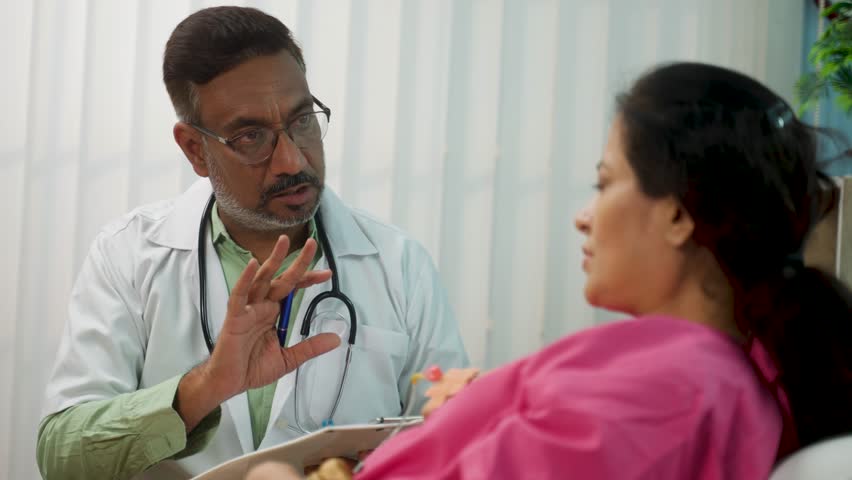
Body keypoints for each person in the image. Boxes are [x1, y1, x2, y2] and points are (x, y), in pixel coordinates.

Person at [283, 62, 852, 479]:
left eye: (605, 184)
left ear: (679, 214)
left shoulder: (663, 392)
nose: (585, 217)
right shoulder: (704, 371)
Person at [36, 6, 468, 479]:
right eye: (250, 137)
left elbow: (456, 440)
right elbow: (62, 457)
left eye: (303, 121)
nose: (290, 159)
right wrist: (204, 388)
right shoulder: (128, 255)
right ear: (195, 150)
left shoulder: (399, 264)